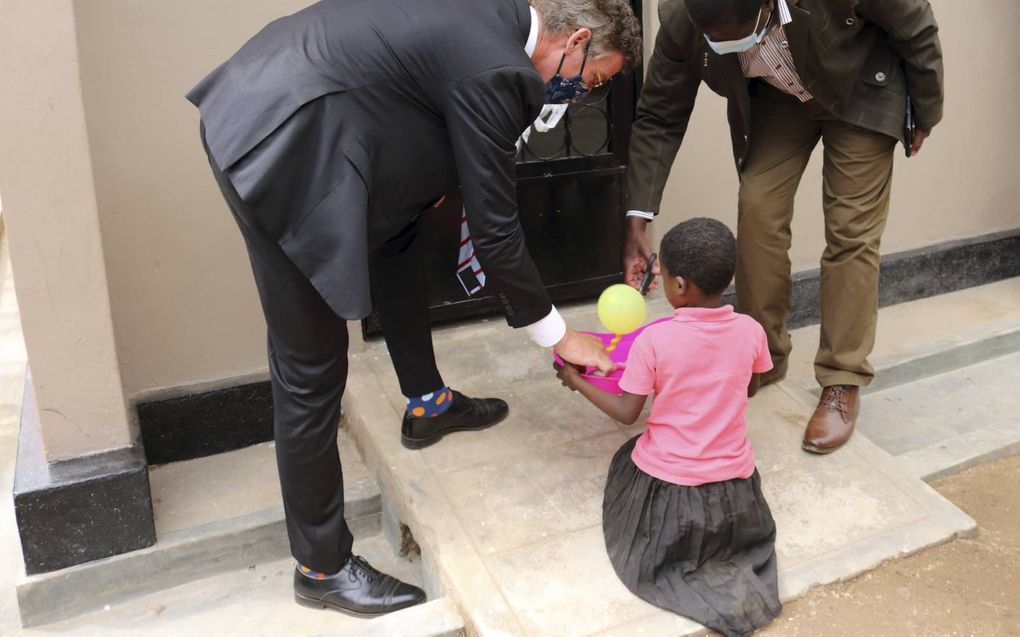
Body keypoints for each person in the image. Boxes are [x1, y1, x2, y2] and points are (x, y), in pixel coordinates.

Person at [187, 0, 642, 617]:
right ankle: (320, 566)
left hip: (317, 117)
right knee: (311, 368)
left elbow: (420, 96)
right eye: (591, 79)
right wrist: (558, 335)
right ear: (577, 40)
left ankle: (426, 404)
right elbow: (496, 228)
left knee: (399, 237)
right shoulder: (497, 66)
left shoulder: (496, 22)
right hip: (281, 139)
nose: (581, 93)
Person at [621, 0, 944, 454]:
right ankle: (763, 355)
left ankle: (842, 379)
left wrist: (925, 110)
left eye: (742, 32)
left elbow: (915, 22)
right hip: (778, 98)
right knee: (757, 211)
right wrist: (639, 220)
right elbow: (660, 114)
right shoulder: (683, 14)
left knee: (851, 232)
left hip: (861, 87)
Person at [557, 218, 780, 637]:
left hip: (670, 492)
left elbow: (627, 412)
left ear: (679, 286)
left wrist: (577, 380)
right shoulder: (751, 331)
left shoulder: (655, 342)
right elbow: (750, 385)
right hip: (735, 487)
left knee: (629, 458)